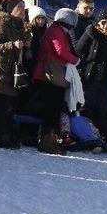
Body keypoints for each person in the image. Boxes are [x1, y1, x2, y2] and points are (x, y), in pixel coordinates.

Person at [32, 8, 82, 154]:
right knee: (51, 109)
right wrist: (76, 60)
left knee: (54, 108)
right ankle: (47, 140)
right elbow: (60, 51)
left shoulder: (58, 30)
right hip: (50, 74)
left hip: (53, 74)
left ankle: (51, 139)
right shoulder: (56, 31)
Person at [0, 0, 30, 149]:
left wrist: (27, 41)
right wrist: (12, 44)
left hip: (14, 73)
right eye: (19, 7)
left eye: (24, 7)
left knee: (10, 106)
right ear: (11, 9)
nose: (23, 10)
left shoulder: (20, 27)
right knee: (1, 106)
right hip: (0, 71)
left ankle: (7, 135)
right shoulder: (1, 25)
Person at [75, 8, 107, 133]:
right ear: (98, 22)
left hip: (106, 78)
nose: (106, 26)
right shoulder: (91, 32)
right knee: (86, 107)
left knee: (101, 108)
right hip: (90, 75)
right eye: (103, 22)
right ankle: (85, 135)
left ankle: (97, 136)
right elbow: (78, 50)